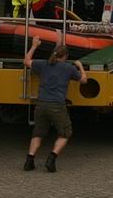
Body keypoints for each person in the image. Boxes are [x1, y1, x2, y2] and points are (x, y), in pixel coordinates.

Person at [23, 36, 87, 172]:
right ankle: (51, 159)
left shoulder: (43, 64)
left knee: (38, 134)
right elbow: (84, 81)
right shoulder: (69, 68)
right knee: (65, 133)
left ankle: (29, 161)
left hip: (41, 105)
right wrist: (80, 66)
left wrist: (34, 46)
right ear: (66, 56)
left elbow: (26, 61)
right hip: (57, 105)